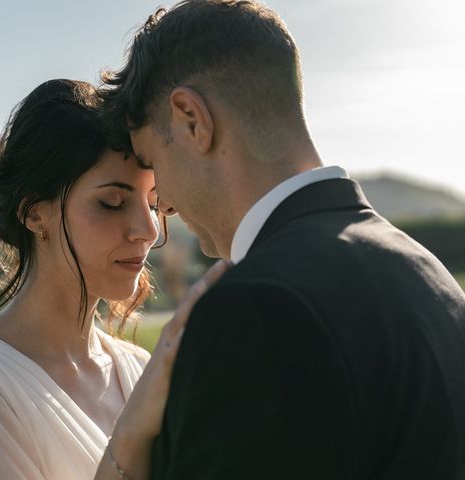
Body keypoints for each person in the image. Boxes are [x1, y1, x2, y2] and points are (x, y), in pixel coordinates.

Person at [99, 1, 465, 478]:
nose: (162, 204)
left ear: (192, 119)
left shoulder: (255, 308)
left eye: (155, 164)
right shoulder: (425, 272)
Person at [0, 78, 229, 479]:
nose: (147, 229)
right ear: (34, 212)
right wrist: (134, 432)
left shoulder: (141, 368)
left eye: (152, 203)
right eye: (113, 202)